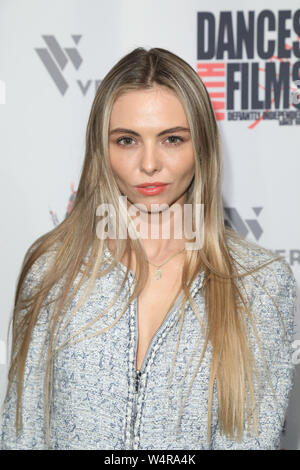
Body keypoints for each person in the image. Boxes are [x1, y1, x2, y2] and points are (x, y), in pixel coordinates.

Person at [0, 47, 297, 450]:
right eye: (127, 140)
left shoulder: (259, 283)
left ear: (202, 147)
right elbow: (22, 432)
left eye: (172, 139)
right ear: (101, 150)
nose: (150, 163)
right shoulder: (52, 269)